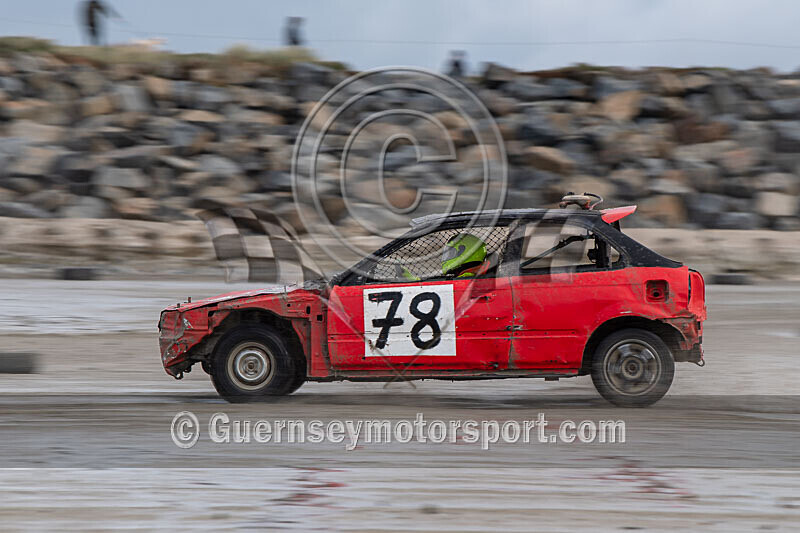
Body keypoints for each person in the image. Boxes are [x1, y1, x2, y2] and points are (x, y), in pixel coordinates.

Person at [397, 233, 489, 281]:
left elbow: (439, 284)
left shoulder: (466, 279)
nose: (447, 257)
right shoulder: (469, 276)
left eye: (451, 253)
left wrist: (414, 282)